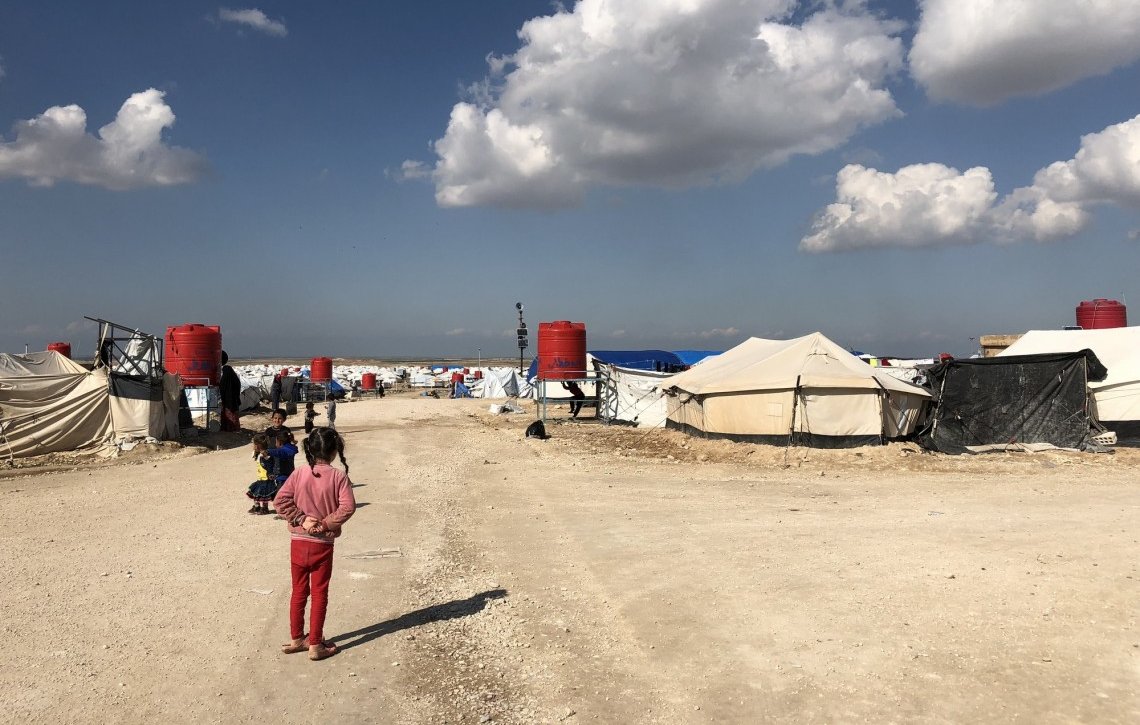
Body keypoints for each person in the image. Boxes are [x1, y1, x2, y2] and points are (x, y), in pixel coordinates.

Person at [273, 427, 357, 661]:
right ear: (334, 452)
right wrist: (325, 523)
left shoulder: (299, 473)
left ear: (309, 449)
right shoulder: (338, 476)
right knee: (319, 592)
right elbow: (348, 507)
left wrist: (300, 519)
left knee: (299, 591)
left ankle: (297, 638)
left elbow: (280, 500)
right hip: (322, 545)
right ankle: (316, 644)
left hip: (298, 542)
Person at [247, 431, 298, 515]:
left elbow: (272, 461)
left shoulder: (284, 451)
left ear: (279, 442)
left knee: (280, 496)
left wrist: (268, 452)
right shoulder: (284, 450)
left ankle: (283, 512)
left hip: (282, 478)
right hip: (280, 477)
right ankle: (260, 507)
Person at [219, 351, 242, 432]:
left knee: (229, 414)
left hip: (229, 400)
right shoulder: (234, 378)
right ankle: (232, 428)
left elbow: (222, 388)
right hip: (233, 400)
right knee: (232, 414)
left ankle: (229, 428)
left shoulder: (226, 378)